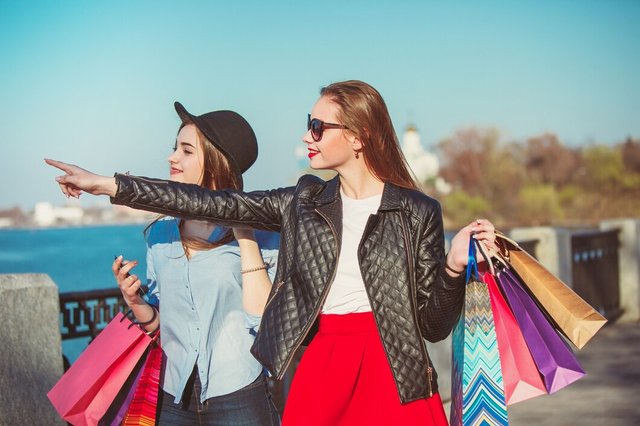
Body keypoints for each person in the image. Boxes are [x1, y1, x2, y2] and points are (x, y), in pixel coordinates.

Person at [46, 80, 498, 425]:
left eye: (319, 127)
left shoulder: (417, 211)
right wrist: (107, 184)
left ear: (358, 137)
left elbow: (435, 327)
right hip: (320, 362)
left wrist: (455, 264)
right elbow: (206, 201)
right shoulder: (301, 201)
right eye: (309, 123)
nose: (308, 136)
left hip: (395, 371)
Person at [104, 102, 280, 425]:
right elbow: (158, 323)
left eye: (186, 150)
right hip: (173, 398)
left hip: (239, 392)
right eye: (175, 148)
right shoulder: (159, 234)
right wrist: (134, 299)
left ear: (216, 162)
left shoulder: (264, 234)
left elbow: (267, 320)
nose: (172, 157)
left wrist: (244, 230)